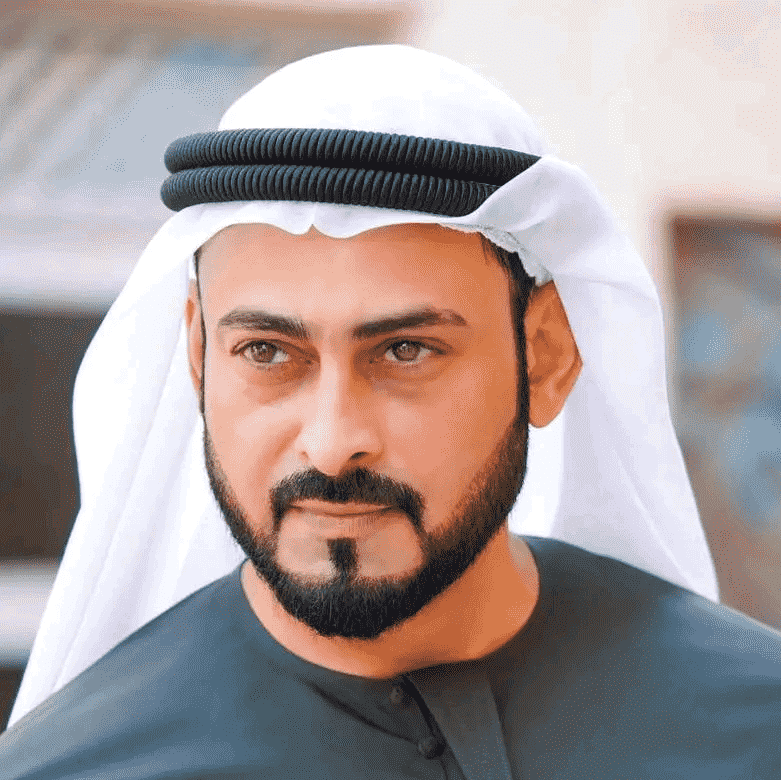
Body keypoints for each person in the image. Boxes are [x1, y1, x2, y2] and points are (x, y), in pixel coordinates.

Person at [1, 45, 779, 779]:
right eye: (267, 352)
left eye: (405, 351)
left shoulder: (752, 723)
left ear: (543, 355)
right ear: (200, 359)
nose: (332, 443)